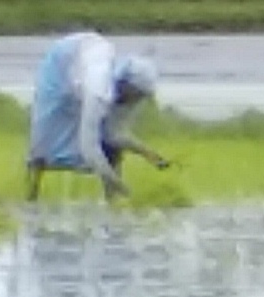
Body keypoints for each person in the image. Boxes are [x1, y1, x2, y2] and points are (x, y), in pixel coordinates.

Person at [26, 33, 172, 201]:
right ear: (126, 86)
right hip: (63, 62)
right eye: (136, 95)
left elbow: (113, 134)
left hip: (87, 61)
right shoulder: (98, 90)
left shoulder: (128, 93)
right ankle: (31, 197)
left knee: (111, 149)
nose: (136, 101)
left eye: (141, 96)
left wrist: (149, 154)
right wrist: (120, 186)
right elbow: (89, 148)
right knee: (43, 141)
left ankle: (112, 202)